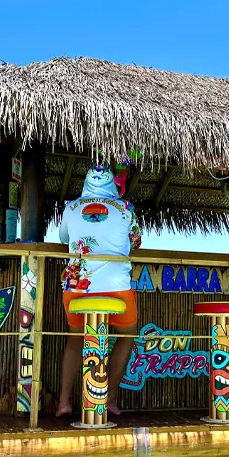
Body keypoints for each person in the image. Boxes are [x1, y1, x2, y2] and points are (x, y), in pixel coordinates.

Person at [56, 163, 143, 417]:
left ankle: (64, 402)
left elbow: (64, 238)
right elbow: (136, 242)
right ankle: (110, 398)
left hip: (77, 286)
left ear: (86, 183)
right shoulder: (126, 209)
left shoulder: (71, 208)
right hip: (117, 288)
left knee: (75, 341)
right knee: (126, 336)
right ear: (112, 185)